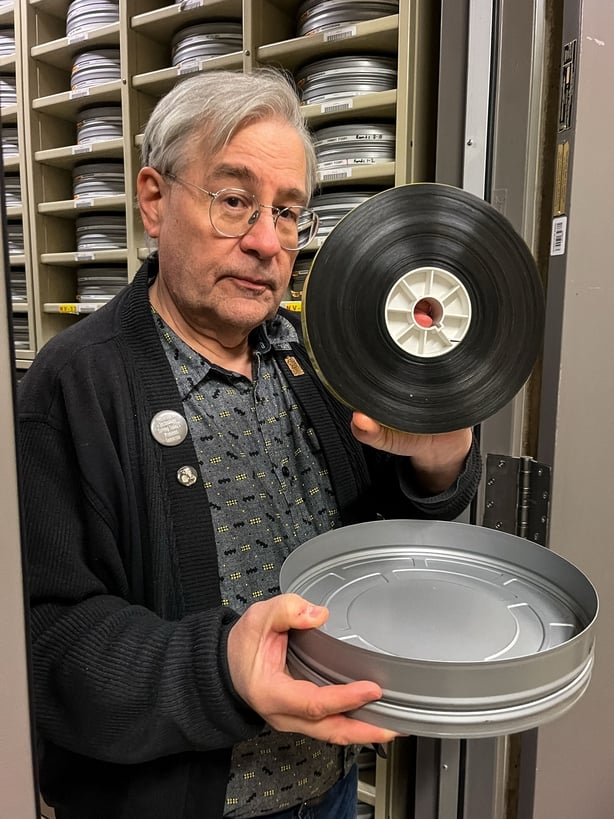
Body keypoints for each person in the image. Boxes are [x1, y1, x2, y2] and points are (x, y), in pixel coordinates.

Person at [18, 68, 482, 819]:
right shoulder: (73, 386)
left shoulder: (315, 360)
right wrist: (223, 668)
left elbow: (377, 548)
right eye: (234, 201)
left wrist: (436, 465)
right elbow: (47, 646)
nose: (268, 242)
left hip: (328, 789)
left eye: (288, 212)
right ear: (154, 200)